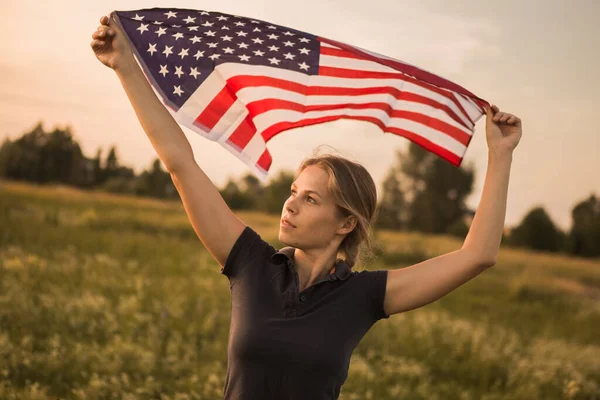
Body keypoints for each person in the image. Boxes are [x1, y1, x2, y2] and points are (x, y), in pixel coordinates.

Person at [91, 13, 522, 399]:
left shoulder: (364, 297)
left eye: (310, 198)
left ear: (345, 223)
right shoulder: (250, 264)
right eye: (293, 191)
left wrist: (499, 155)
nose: (290, 204)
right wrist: (126, 68)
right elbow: (180, 164)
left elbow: (478, 255)